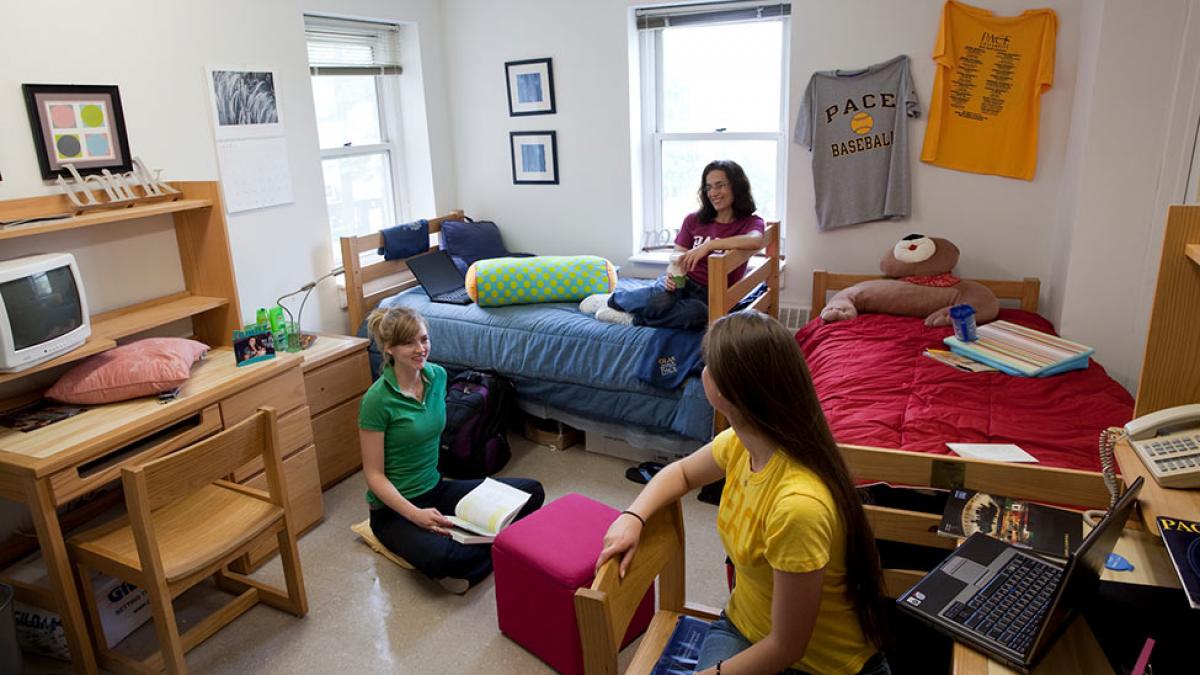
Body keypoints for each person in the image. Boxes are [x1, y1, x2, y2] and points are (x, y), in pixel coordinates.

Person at [596, 311, 891, 675]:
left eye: (707, 364)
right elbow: (682, 472)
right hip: (743, 625)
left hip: (814, 666)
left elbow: (787, 648)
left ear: (720, 390)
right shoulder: (743, 443)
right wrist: (633, 516)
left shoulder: (797, 507)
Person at [360, 305, 545, 593]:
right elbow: (374, 476)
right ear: (388, 348)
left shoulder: (437, 376)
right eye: (409, 342)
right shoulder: (376, 400)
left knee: (532, 491)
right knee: (443, 557)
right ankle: (503, 551)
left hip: (437, 488)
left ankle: (484, 558)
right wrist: (415, 515)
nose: (420, 348)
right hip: (393, 510)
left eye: (423, 339)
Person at [595, 160, 765, 330]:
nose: (713, 193)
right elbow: (677, 258)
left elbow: (755, 240)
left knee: (697, 314)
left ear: (737, 186)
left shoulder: (751, 222)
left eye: (720, 185)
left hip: (711, 295)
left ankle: (633, 319)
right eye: (708, 187)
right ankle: (613, 300)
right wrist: (671, 275)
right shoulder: (694, 219)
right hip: (682, 281)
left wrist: (709, 245)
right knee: (661, 298)